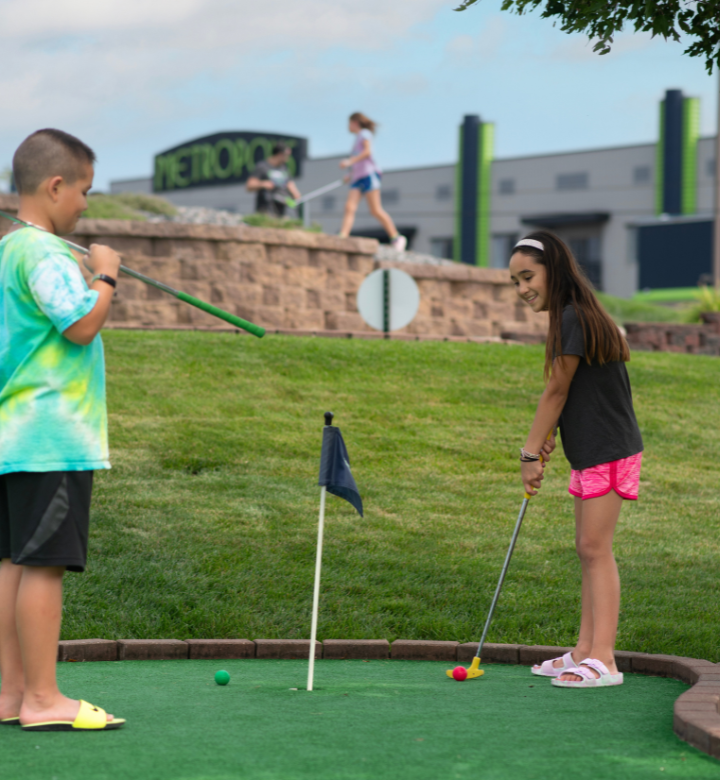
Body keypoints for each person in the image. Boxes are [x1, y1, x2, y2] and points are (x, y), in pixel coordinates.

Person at [0, 128, 125, 730]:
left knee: (13, 563)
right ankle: (44, 700)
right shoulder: (45, 253)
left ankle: (10, 694)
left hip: (14, 437)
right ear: (54, 186)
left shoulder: (9, 250)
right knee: (45, 565)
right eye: (83, 192)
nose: (85, 205)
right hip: (51, 435)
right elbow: (80, 326)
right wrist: (105, 275)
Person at [509, 231, 643, 689]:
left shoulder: (573, 316)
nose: (523, 288)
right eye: (515, 281)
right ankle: (584, 650)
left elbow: (557, 390)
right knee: (586, 550)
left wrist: (529, 452)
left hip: (608, 449)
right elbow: (578, 393)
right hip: (590, 449)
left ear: (555, 270)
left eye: (528, 276)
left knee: (594, 549)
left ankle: (604, 659)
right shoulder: (573, 316)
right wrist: (550, 435)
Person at [338, 112, 406, 252]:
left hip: (368, 175)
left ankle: (396, 237)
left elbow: (367, 152)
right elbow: (359, 162)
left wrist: (349, 161)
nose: (348, 126)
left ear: (355, 122)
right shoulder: (357, 139)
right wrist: (350, 174)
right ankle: (343, 236)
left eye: (349, 123)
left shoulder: (364, 134)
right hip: (357, 177)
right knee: (349, 206)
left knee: (375, 210)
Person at [246, 143, 301, 218]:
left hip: (282, 211)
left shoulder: (284, 169)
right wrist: (263, 184)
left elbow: (291, 186)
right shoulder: (262, 166)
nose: (288, 158)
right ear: (280, 154)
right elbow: (249, 186)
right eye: (287, 155)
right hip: (265, 211)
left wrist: (297, 197)